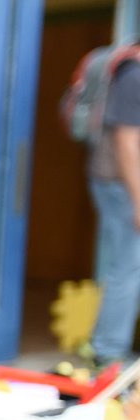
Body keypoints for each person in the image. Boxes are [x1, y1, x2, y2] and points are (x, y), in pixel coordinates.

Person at [87, 50, 140, 366]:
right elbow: (126, 141)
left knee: (129, 266)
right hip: (121, 187)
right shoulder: (133, 77)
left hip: (123, 185)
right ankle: (108, 353)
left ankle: (106, 345)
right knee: (127, 267)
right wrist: (138, 198)